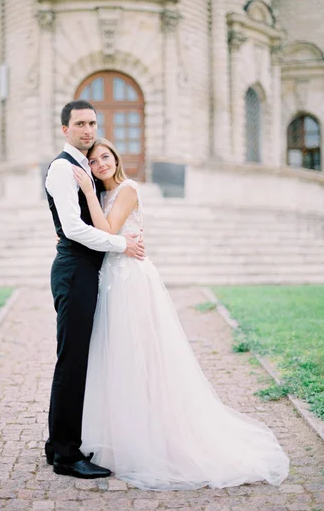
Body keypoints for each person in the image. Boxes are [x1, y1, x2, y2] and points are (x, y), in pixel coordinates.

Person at [72, 138, 290, 491]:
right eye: (94, 162)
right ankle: (121, 435)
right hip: (111, 279)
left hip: (132, 281)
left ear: (116, 158)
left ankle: (155, 439)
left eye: (105, 157)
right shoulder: (100, 198)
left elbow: (109, 231)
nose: (100, 165)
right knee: (118, 359)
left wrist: (85, 191)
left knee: (144, 357)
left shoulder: (127, 189)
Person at [44, 100, 145, 479]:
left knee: (76, 360)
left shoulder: (85, 167)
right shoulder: (61, 169)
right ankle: (67, 456)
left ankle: (58, 444)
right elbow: (72, 228)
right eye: (80, 124)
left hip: (87, 271)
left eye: (92, 123)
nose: (87, 130)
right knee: (72, 361)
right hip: (74, 272)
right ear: (65, 128)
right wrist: (122, 245)